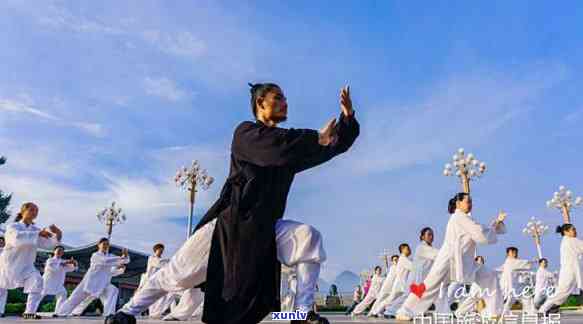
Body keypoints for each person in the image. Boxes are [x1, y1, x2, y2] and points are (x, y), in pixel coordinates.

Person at [107, 83, 359, 324]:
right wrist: (316, 137)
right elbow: (276, 148)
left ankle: (301, 315)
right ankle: (127, 311)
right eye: (278, 98)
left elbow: (327, 148)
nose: (285, 103)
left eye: (285, 98)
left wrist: (346, 119)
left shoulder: (289, 149)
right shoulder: (246, 134)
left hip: (265, 228)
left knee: (308, 237)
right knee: (177, 275)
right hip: (228, 228)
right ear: (260, 102)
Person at [395, 193, 507, 321]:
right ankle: (405, 310)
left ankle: (494, 312)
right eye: (467, 201)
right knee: (428, 286)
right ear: (458, 204)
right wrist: (495, 224)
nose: (470, 204)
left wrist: (497, 223)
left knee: (490, 276)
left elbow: (480, 230)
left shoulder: (465, 218)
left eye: (471, 201)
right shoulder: (459, 217)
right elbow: (480, 234)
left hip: (464, 260)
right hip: (448, 259)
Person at [0, 202, 62, 319]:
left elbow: (48, 244)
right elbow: (17, 239)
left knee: (37, 280)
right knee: (1, 287)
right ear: (23, 211)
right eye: (32, 209)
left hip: (27, 265)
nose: (35, 212)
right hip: (9, 264)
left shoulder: (36, 230)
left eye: (36, 210)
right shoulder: (13, 227)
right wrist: (38, 233)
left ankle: (29, 312)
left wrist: (58, 235)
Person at [57, 238, 130, 317]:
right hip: (90, 282)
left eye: (107, 244)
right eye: (104, 244)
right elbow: (105, 261)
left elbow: (123, 263)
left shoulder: (110, 256)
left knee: (113, 290)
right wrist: (121, 258)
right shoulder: (95, 255)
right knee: (76, 298)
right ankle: (61, 313)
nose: (106, 246)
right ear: (99, 245)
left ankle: (109, 314)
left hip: (103, 285)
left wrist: (124, 260)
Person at [383, 228, 439, 317]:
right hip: (415, 279)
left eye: (432, 234)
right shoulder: (422, 247)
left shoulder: (429, 248)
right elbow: (437, 255)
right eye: (428, 234)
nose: (431, 236)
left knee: (414, 297)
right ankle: (389, 311)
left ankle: (399, 311)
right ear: (422, 237)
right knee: (407, 296)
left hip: (421, 279)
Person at [539, 224, 583, 315]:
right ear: (566, 232)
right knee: (562, 291)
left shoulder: (568, 240)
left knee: (565, 292)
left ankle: (553, 308)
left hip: (573, 270)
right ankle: (543, 309)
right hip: (569, 271)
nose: (575, 231)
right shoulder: (570, 240)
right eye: (573, 229)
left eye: (575, 229)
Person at [368, 244, 413, 317]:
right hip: (400, 284)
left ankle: (384, 312)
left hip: (402, 284)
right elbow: (413, 267)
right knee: (390, 300)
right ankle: (376, 312)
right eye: (408, 249)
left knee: (394, 300)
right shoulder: (403, 259)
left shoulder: (404, 259)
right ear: (403, 250)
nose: (410, 250)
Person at [40, 246, 78, 316]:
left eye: (61, 251)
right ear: (54, 251)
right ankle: (30, 311)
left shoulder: (64, 261)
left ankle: (57, 312)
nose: (60, 252)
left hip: (58, 284)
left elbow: (72, 269)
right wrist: (65, 263)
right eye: (58, 250)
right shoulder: (50, 260)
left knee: (63, 294)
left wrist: (74, 263)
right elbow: (54, 269)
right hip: (47, 283)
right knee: (39, 296)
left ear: (63, 253)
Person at [497, 247, 535, 315]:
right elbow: (523, 263)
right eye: (512, 252)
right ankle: (501, 316)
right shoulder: (511, 261)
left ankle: (531, 313)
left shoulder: (509, 262)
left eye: (515, 252)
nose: (514, 253)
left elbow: (520, 266)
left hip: (514, 286)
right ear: (508, 253)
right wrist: (534, 261)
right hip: (510, 287)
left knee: (525, 298)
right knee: (510, 302)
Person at [143, 244, 177, 319]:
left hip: (160, 282)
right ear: (156, 250)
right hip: (151, 282)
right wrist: (170, 261)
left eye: (162, 250)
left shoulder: (162, 260)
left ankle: (160, 313)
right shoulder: (151, 258)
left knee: (170, 294)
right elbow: (159, 263)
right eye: (160, 250)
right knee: (153, 299)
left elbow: (165, 268)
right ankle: (154, 314)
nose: (161, 252)